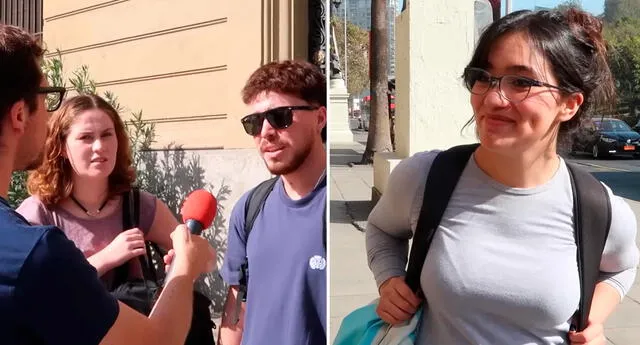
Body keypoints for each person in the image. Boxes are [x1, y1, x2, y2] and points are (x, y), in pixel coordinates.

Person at [366, 8, 639, 345]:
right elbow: (381, 228)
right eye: (484, 77)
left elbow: (622, 268)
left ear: (569, 104)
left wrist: (590, 319)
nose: (493, 99)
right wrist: (389, 279)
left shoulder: (599, 207)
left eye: (522, 82)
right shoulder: (425, 178)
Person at [0, 23, 215, 345]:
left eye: (107, 135)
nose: (99, 147)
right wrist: (180, 267)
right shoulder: (34, 241)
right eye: (47, 97)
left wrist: (191, 256)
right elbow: (156, 342)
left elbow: (202, 257)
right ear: (20, 115)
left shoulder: (138, 205)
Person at [218, 60, 327, 345]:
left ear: (320, 118)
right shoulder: (249, 208)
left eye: (280, 116)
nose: (265, 132)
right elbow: (235, 313)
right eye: (254, 123)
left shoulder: (330, 206)